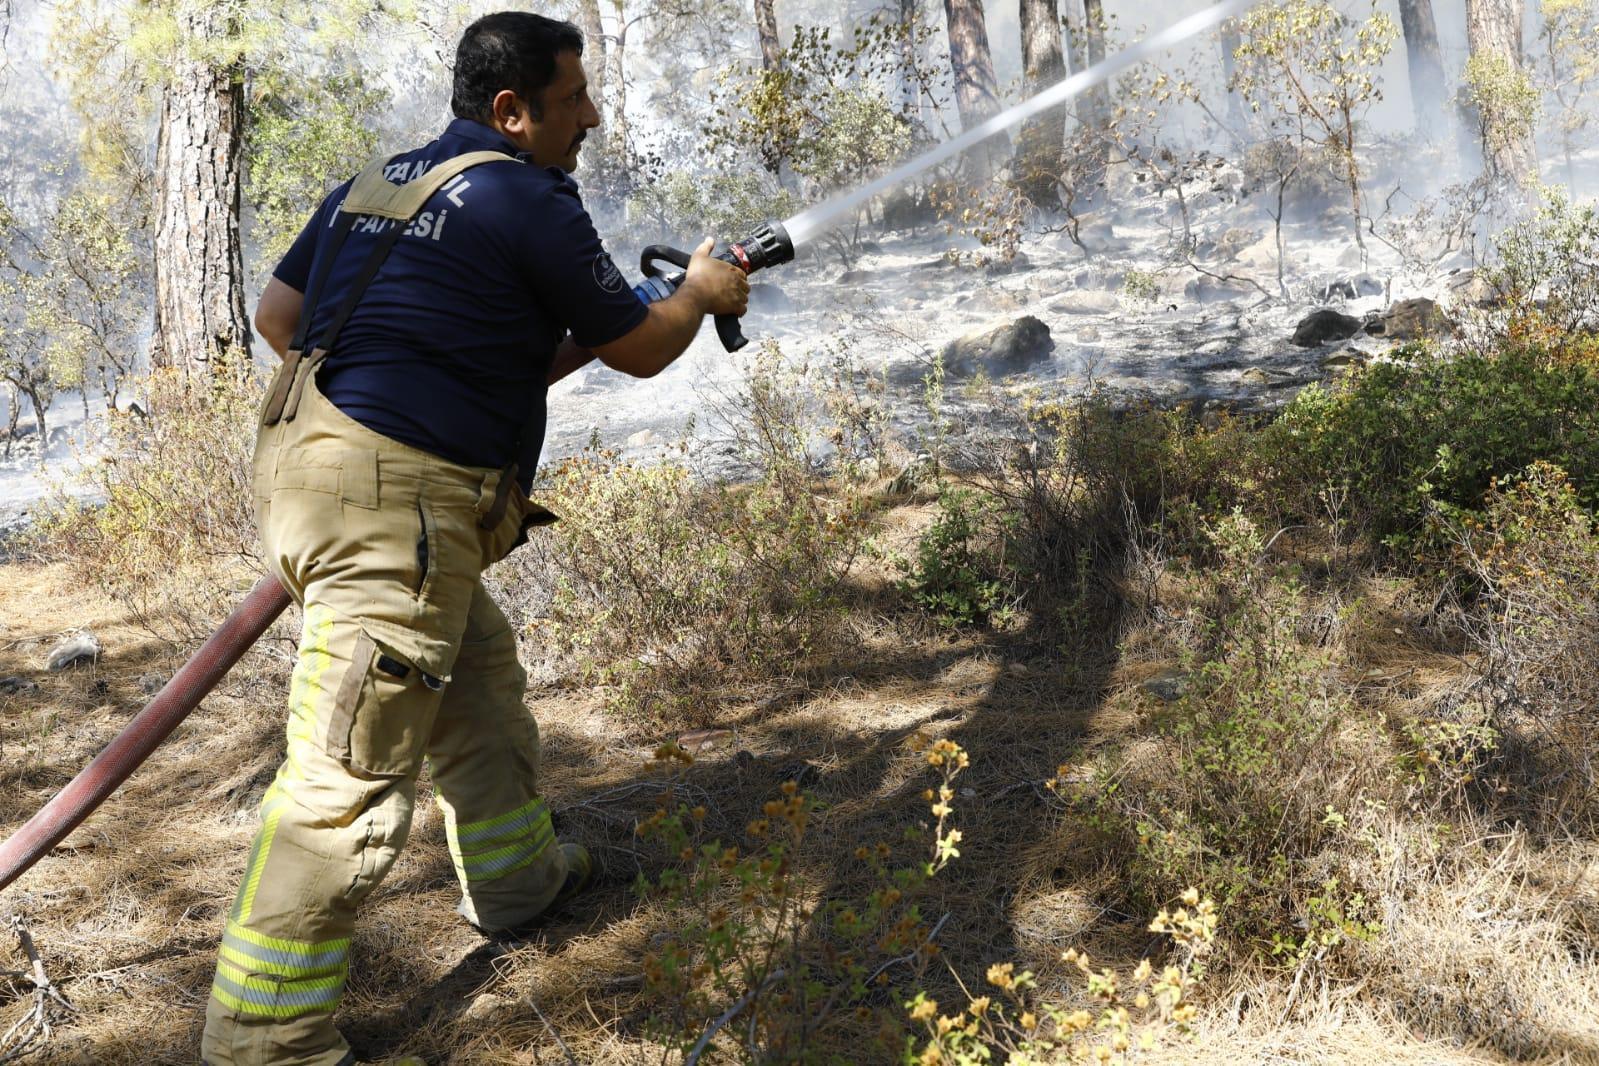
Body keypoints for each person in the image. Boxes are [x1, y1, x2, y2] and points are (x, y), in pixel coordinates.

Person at [201, 12, 749, 1065]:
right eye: (573, 99)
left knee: (478, 678)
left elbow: (282, 317)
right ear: (512, 111)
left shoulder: (383, 180)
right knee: (345, 779)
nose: (591, 116)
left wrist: (437, 363)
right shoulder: (525, 191)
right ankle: (265, 1041)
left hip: (317, 471)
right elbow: (636, 349)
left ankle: (517, 879)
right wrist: (700, 295)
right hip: (390, 506)